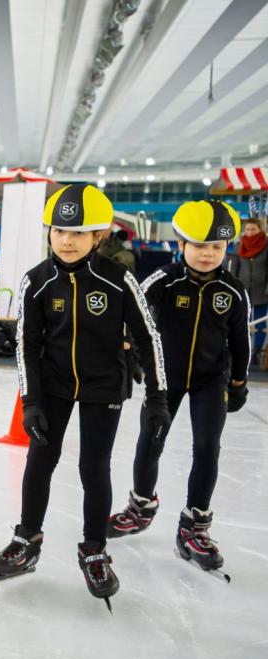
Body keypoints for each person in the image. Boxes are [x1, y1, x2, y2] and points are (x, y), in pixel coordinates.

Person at [0, 184, 168, 607]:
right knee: (40, 460)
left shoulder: (120, 280)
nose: (67, 240)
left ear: (98, 236)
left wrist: (157, 396)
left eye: (79, 233)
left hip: (104, 385)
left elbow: (148, 337)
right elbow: (25, 345)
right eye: (60, 231)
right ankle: (26, 539)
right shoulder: (36, 281)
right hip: (52, 386)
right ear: (49, 231)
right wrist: (31, 401)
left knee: (94, 467)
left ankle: (94, 550)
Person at [107, 200, 249, 577]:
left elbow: (240, 340)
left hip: (210, 380)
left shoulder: (232, 290)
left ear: (226, 249)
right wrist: (128, 354)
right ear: (181, 244)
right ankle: (140, 506)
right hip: (164, 378)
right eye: (199, 245)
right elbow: (130, 312)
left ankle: (195, 525)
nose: (207, 254)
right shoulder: (164, 279)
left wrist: (238, 383)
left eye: (216, 248)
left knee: (207, 446)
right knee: (151, 438)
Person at [226, 217, 266, 367]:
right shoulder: (238, 246)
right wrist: (232, 288)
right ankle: (240, 350)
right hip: (242, 290)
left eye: (253, 229)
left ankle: (256, 351)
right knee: (240, 322)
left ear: (260, 230)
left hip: (262, 290)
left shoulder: (266, 246)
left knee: (261, 323)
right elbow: (233, 268)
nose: (249, 232)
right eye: (247, 229)